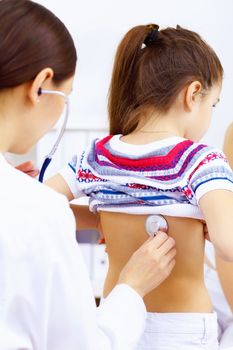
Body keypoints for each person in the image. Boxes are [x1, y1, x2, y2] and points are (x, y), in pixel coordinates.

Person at [0, 2, 177, 349]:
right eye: (65, 98)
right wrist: (132, 287)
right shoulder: (37, 210)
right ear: (41, 86)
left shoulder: (30, 204)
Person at [46, 24, 233, 349]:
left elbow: (40, 205)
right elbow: (228, 244)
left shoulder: (97, 155)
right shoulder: (199, 160)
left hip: (118, 320)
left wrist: (101, 218)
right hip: (183, 332)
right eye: (213, 104)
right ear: (193, 94)